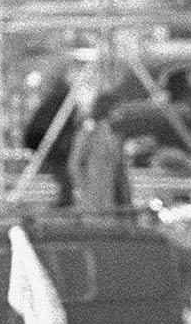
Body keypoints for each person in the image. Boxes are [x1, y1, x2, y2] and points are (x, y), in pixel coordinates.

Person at [68, 92, 134, 215]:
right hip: (93, 194)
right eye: (118, 108)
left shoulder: (115, 135)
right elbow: (74, 164)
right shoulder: (89, 132)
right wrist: (83, 188)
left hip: (114, 195)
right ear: (108, 109)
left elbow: (119, 167)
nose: (121, 112)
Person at [24, 70, 79, 208]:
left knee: (61, 171)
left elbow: (67, 123)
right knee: (60, 171)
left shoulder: (61, 102)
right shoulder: (56, 102)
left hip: (55, 142)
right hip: (50, 141)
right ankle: (66, 197)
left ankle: (67, 197)